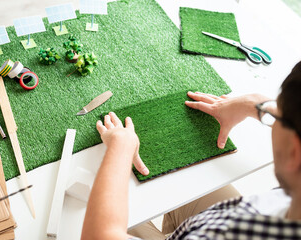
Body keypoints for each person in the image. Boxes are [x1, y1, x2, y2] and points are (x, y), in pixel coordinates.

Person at [81, 61, 301, 240]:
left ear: (295, 152)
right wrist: (255, 104)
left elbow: (97, 235)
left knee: (93, 208)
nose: (269, 116)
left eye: (275, 118)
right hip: (241, 213)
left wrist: (120, 147)